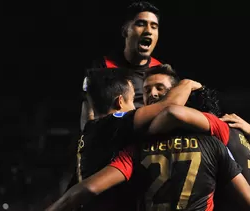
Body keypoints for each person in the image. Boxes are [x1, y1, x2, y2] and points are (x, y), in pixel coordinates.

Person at [46, 66, 250, 211]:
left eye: (160, 89)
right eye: (146, 91)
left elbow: (85, 190)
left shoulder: (135, 147)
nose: (151, 95)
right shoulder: (216, 140)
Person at [63, 67, 203, 210]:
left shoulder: (90, 128)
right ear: (119, 102)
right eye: (132, 100)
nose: (136, 107)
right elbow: (168, 106)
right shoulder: (115, 123)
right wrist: (187, 84)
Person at [81, 1, 163, 131]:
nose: (148, 31)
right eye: (141, 24)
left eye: (154, 27)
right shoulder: (103, 66)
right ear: (125, 31)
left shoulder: (160, 70)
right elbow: (89, 112)